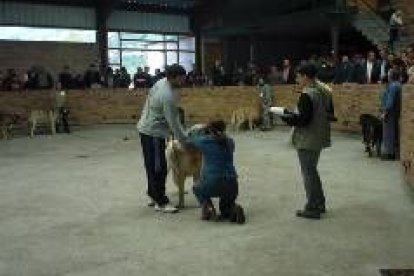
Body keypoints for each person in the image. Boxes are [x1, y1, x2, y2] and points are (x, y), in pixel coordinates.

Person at [281, 63, 333, 220]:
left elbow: (303, 121)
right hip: (318, 136)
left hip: (307, 139)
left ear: (305, 76)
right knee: (312, 172)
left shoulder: (307, 94)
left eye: (298, 76)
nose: (297, 79)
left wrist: (285, 117)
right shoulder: (322, 91)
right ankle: (320, 203)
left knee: (308, 174)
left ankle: (312, 207)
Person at [137, 64, 188, 213]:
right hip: (153, 132)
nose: (184, 81)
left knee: (151, 165)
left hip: (147, 128)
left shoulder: (160, 82)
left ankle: (153, 194)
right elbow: (174, 123)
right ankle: (161, 201)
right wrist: (184, 141)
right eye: (182, 78)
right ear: (175, 77)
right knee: (159, 168)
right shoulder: (167, 95)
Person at [189, 120, 245, 224]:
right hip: (232, 183)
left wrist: (201, 129)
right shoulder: (230, 142)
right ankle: (234, 209)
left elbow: (190, 138)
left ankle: (208, 209)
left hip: (213, 182)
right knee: (225, 209)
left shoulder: (204, 141)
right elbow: (222, 140)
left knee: (196, 187)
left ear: (209, 130)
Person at [380, 69, 402, 160]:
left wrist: (385, 112)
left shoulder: (393, 86)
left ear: (391, 76)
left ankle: (390, 153)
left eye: (388, 74)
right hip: (394, 112)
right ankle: (393, 152)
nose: (387, 75)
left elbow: (390, 101)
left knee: (389, 133)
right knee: (393, 132)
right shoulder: (398, 85)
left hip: (390, 112)